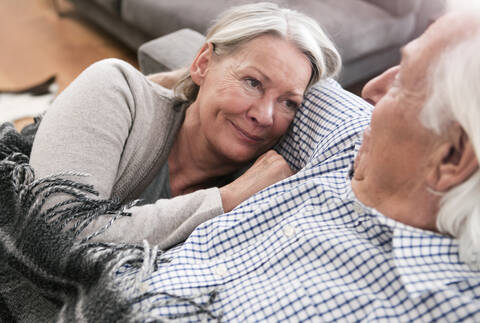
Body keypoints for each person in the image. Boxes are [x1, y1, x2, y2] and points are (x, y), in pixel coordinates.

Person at [125, 3, 480, 321]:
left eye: (402, 83)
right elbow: (266, 63)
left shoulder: (431, 306)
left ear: (450, 158)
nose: (369, 91)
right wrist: (133, 94)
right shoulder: (350, 142)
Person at [29, 3, 341, 249]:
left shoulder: (263, 190)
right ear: (203, 64)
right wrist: (225, 200)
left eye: (288, 102)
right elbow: (53, 232)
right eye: (253, 82)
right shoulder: (115, 88)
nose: (265, 115)